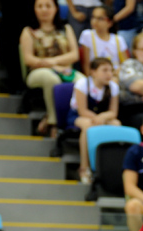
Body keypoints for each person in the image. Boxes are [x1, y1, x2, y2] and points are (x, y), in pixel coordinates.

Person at [20, 0, 82, 138]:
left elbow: (74, 54)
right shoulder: (28, 31)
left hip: (64, 70)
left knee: (82, 81)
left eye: (48, 6)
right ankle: (54, 123)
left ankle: (75, 119)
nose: (44, 9)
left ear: (56, 9)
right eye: (40, 6)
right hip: (38, 72)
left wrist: (55, 62)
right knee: (51, 79)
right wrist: (51, 66)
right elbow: (28, 59)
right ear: (34, 9)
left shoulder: (66, 28)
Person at [68, 57, 121, 184]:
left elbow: (113, 112)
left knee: (117, 125)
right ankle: (84, 167)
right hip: (80, 116)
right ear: (93, 72)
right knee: (88, 127)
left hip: (101, 117)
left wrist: (102, 117)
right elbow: (82, 111)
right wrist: (98, 119)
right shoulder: (83, 84)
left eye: (111, 70)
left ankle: (111, 166)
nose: (109, 74)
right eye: (104, 70)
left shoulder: (113, 87)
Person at [79, 5, 128, 78]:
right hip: (97, 76)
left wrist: (116, 74)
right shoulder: (87, 35)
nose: (94, 21)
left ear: (110, 23)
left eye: (100, 18)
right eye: (93, 17)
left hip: (116, 75)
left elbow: (125, 64)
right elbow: (86, 64)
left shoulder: (118, 39)